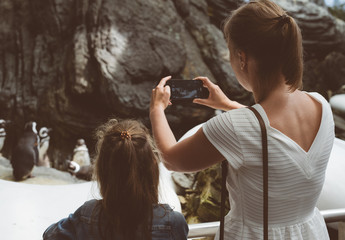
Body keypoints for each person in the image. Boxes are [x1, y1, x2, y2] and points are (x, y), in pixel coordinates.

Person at [150, 0, 335, 239]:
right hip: (310, 231)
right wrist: (228, 105)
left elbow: (172, 159)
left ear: (242, 58)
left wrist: (157, 109)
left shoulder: (233, 127)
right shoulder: (322, 105)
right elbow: (270, 132)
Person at [43, 119, 189, 240]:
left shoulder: (87, 214)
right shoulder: (173, 222)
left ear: (102, 171)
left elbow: (49, 235)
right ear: (152, 170)